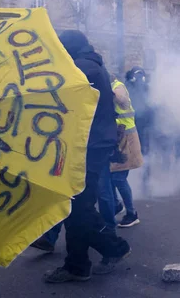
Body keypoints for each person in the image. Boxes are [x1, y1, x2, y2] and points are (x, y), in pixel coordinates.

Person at [41, 30, 131, 283]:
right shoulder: (90, 65)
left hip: (87, 147)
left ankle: (108, 251)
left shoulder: (81, 69)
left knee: (78, 208)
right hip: (89, 146)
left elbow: (65, 107)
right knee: (75, 208)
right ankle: (78, 264)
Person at [110, 74, 143, 228]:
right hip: (118, 138)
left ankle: (132, 213)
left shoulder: (117, 86)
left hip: (126, 139)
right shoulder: (111, 85)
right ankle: (117, 205)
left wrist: (107, 92)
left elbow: (121, 99)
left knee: (118, 178)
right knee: (111, 176)